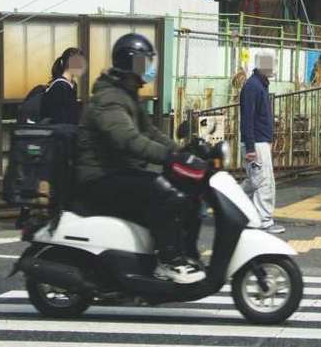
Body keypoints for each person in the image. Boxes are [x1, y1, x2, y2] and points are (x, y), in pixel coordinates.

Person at [75, 33, 205, 284]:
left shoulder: (126, 93)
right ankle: (167, 261)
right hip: (98, 178)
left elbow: (150, 132)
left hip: (115, 172)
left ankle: (181, 253)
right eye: (143, 63)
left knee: (180, 189)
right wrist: (169, 156)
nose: (148, 68)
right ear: (130, 63)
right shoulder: (109, 98)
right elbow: (128, 140)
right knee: (164, 191)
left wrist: (180, 152)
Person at [239, 55, 283, 234]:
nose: (274, 69)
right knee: (264, 182)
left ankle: (233, 206)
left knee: (253, 181)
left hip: (258, 142)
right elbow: (247, 119)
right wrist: (250, 148)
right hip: (256, 143)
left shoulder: (258, 85)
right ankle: (263, 220)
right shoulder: (253, 87)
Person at [40, 48, 86, 125]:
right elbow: (60, 119)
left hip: (67, 131)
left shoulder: (71, 84)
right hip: (59, 133)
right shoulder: (60, 86)